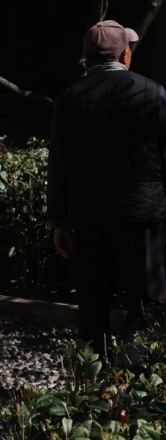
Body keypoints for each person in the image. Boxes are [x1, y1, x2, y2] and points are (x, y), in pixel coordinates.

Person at [47, 19, 166, 359]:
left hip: (89, 216)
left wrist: (58, 221)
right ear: (125, 54)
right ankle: (134, 377)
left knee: (92, 306)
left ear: (87, 58)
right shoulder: (152, 92)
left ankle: (93, 379)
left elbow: (59, 165)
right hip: (142, 216)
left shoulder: (69, 98)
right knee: (146, 304)